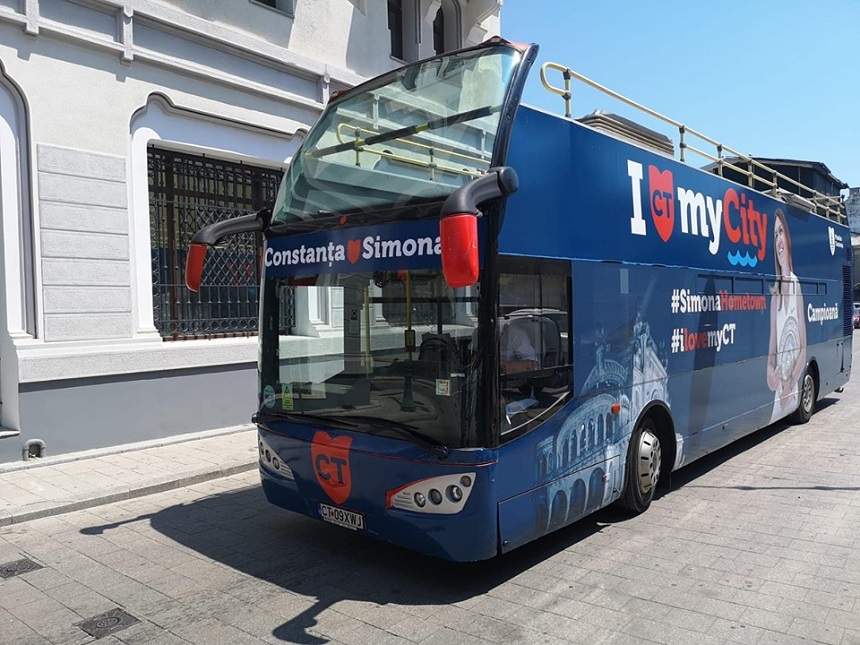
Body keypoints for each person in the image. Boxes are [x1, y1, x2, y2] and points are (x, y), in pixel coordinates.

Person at [766, 209, 806, 423]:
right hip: (778, 396)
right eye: (774, 235)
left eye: (781, 232)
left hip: (791, 387)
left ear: (788, 239)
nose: (778, 240)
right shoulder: (775, 295)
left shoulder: (796, 284)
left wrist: (791, 381)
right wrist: (771, 375)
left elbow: (803, 348)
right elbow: (771, 356)